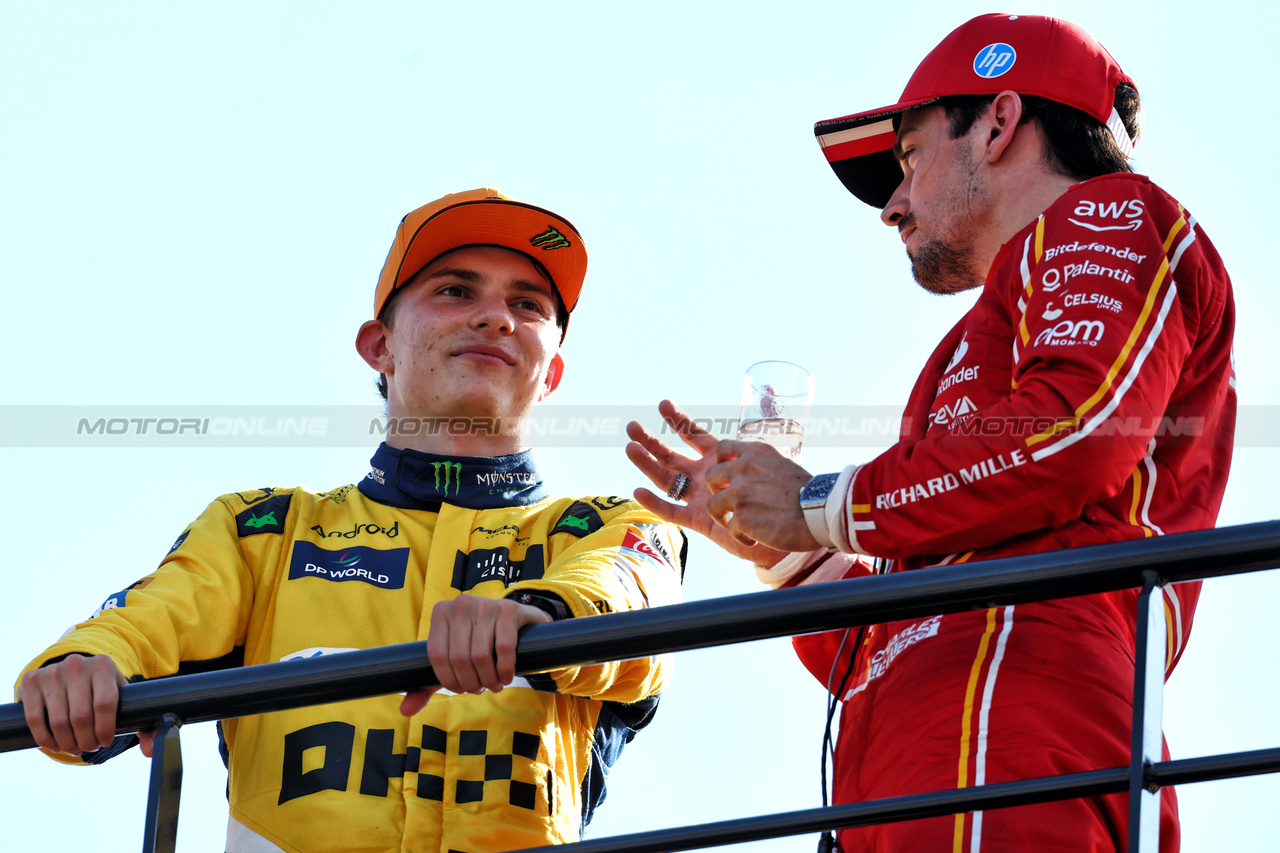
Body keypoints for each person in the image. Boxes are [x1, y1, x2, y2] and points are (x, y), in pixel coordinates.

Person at [627, 13, 1233, 852]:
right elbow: (903, 636)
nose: (892, 204)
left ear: (998, 124)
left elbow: (1074, 434)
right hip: (921, 763)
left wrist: (812, 501)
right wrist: (784, 547)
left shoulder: (1110, 215)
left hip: (1015, 750)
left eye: (908, 159)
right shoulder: (974, 335)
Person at [16, 188, 686, 852]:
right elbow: (143, 625)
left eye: (527, 305)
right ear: (378, 345)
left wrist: (541, 614)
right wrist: (79, 666)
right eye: (456, 290)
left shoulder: (609, 525)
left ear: (552, 375)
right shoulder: (265, 531)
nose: (497, 318)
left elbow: (629, 593)